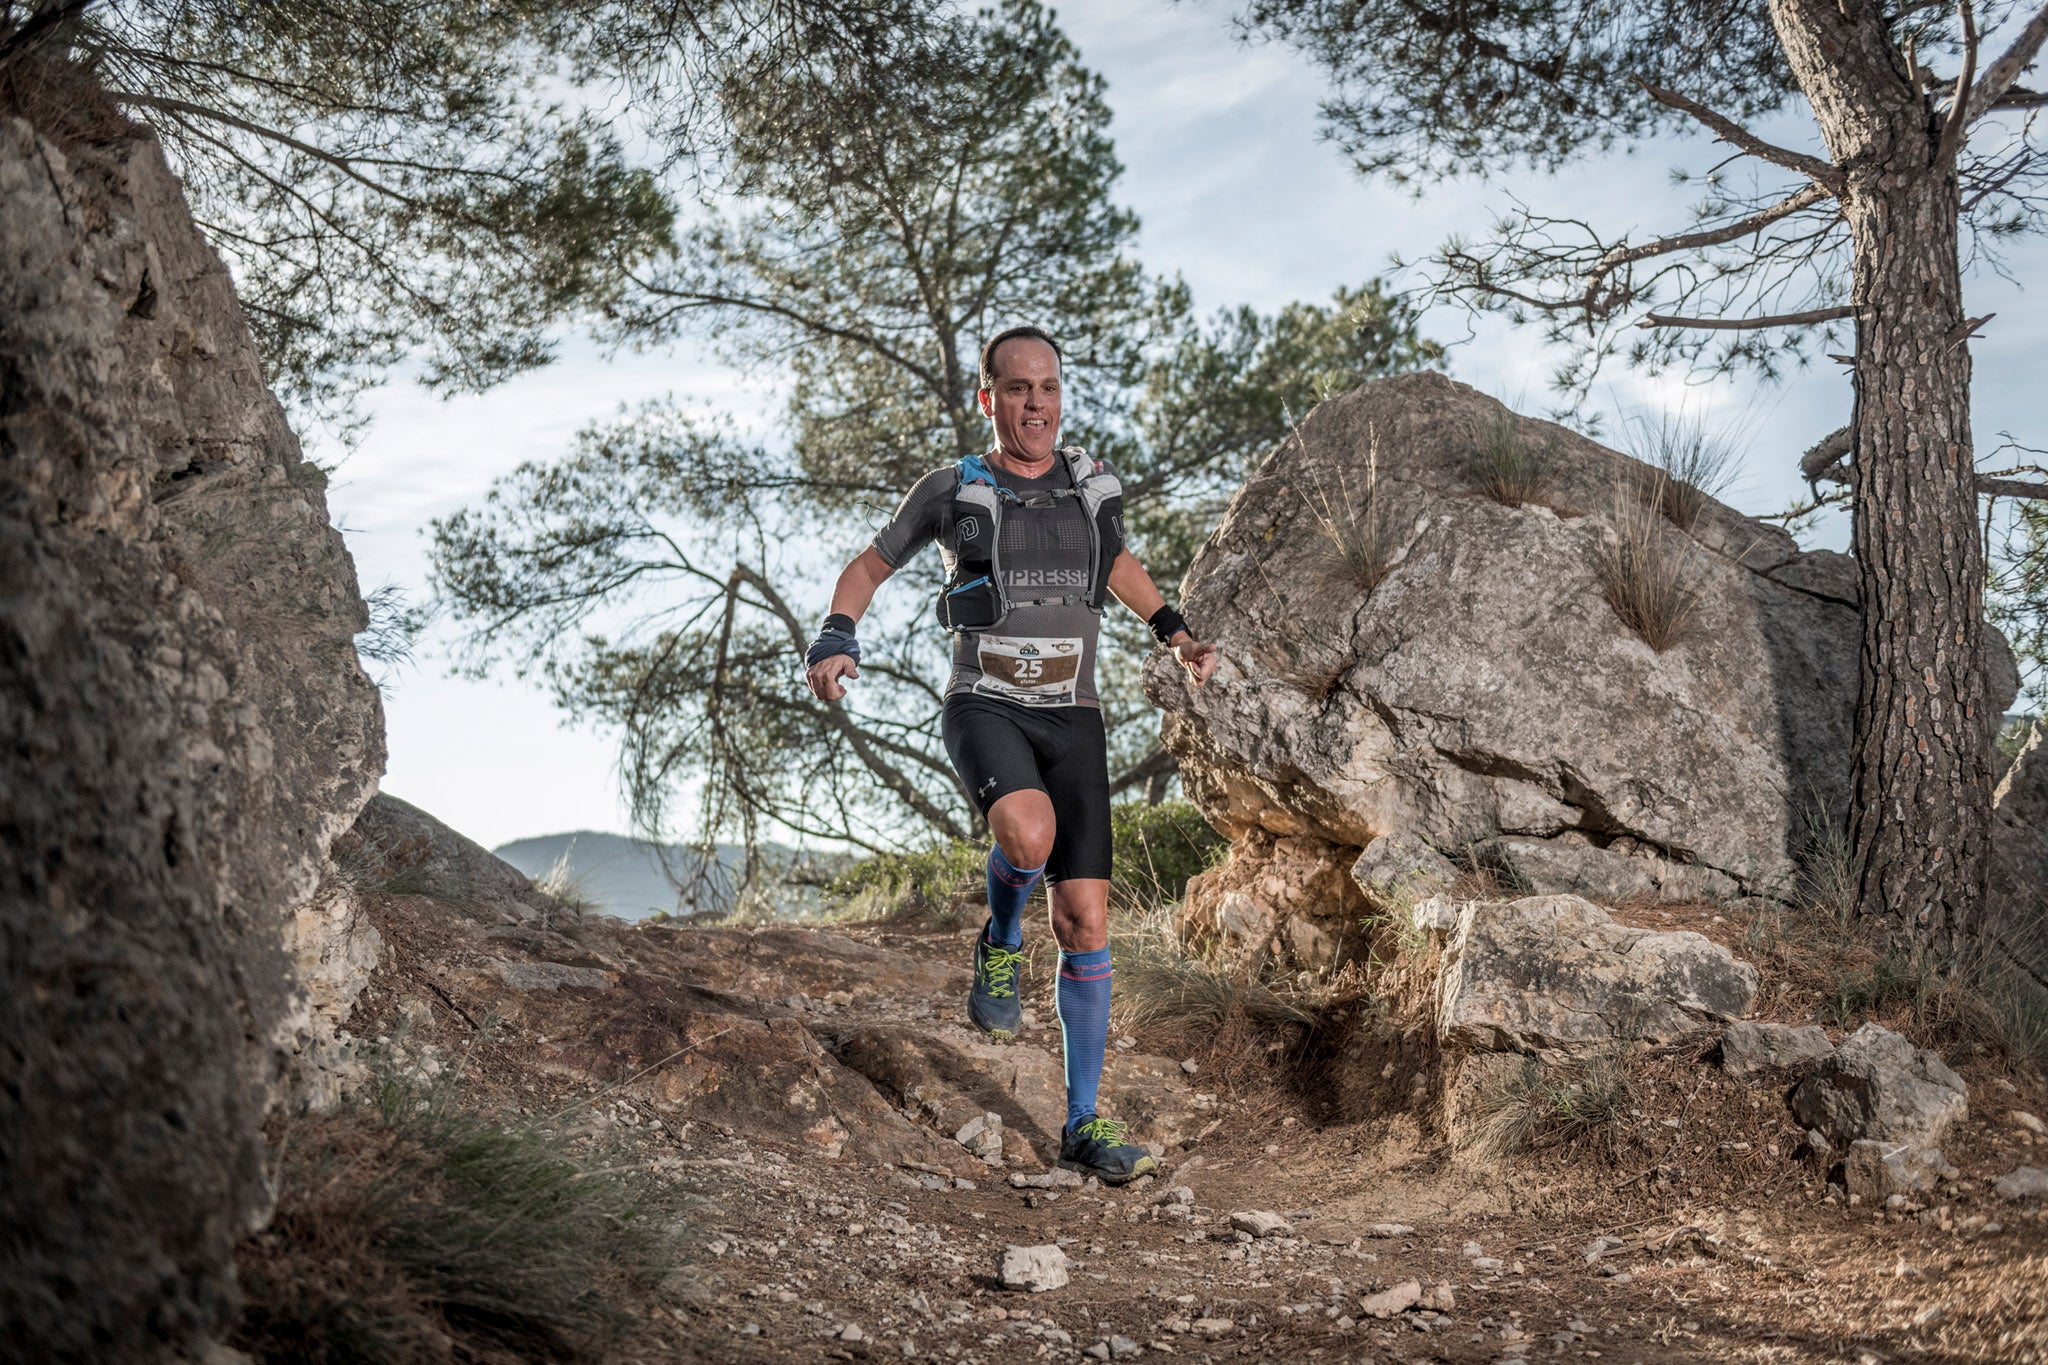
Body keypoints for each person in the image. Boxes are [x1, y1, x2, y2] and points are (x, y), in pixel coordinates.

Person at [803, 325, 1219, 1184]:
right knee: (1026, 834)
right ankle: (997, 937)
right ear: (989, 396)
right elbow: (869, 567)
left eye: (1050, 387)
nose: (1037, 403)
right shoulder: (953, 487)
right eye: (1019, 388)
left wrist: (1175, 631)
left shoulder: (1091, 484)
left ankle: (1082, 1125)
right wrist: (835, 636)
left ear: (1062, 394)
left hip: (1075, 715)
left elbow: (1118, 566)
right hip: (985, 704)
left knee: (1085, 922)